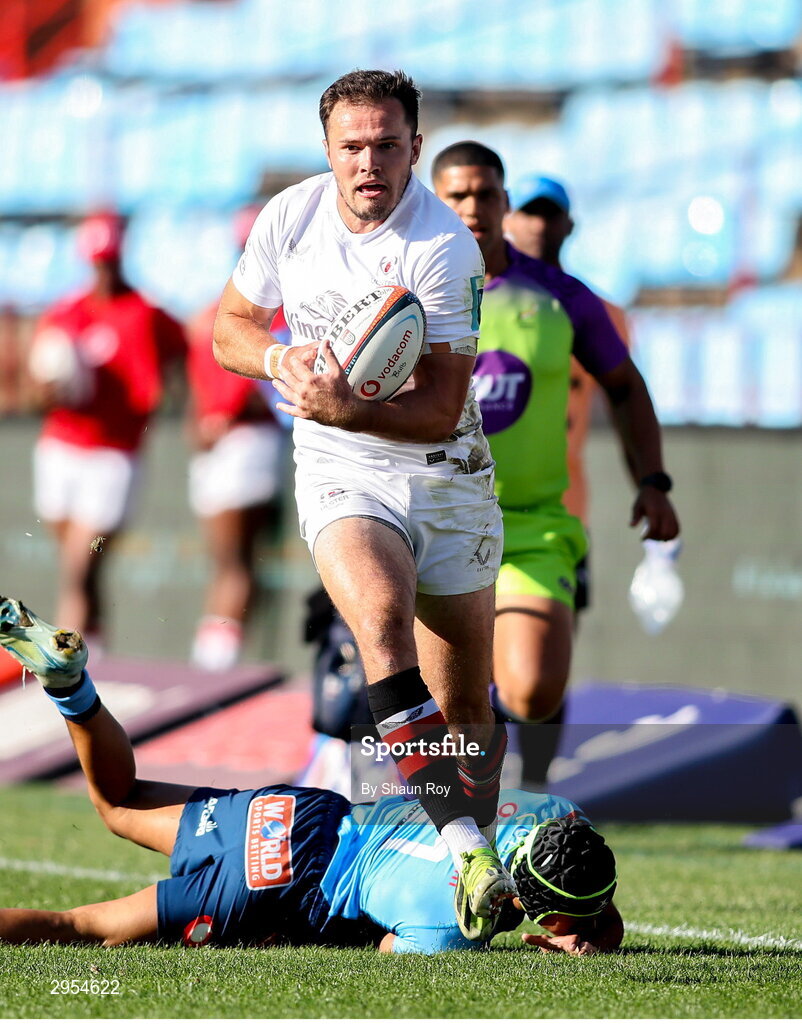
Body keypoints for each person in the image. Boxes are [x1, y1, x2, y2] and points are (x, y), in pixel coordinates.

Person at [212, 69, 512, 939]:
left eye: (387, 145)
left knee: (466, 719)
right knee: (379, 621)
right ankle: (464, 846)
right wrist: (280, 360)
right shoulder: (290, 216)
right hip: (342, 467)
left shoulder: (444, 246)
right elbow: (231, 325)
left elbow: (439, 409)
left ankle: (473, 879)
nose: (369, 163)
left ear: (416, 147)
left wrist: (346, 402)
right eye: (352, 146)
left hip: (447, 475)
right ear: (327, 149)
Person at [0, 596, 623, 956]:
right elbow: (382, 947)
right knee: (79, 928)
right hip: (282, 882)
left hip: (306, 813)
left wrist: (579, 922)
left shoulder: (558, 814)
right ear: (542, 911)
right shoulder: (449, 929)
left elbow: (584, 884)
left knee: (120, 803)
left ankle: (72, 687)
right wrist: (555, 940)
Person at [430, 143, 680, 785]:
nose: (473, 208)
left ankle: (533, 785)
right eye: (457, 196)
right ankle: (455, 815)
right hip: (433, 524)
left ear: (504, 204)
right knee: (440, 704)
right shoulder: (406, 295)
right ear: (435, 202)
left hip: (536, 522)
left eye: (486, 194)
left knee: (535, 689)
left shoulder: (565, 299)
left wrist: (653, 482)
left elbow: (626, 386)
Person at [27, 213, 187, 649]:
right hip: (60, 452)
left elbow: (187, 352)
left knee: (81, 565)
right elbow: (37, 390)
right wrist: (51, 389)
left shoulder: (145, 312)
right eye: (99, 262)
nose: (105, 270)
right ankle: (92, 656)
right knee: (80, 571)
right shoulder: (67, 313)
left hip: (113, 459)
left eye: (111, 260)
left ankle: (63, 669)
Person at [186, 208, 286, 672]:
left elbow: (268, 387)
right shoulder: (219, 310)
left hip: (247, 442)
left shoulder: (284, 312)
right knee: (229, 563)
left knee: (233, 563)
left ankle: (215, 666)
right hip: (221, 445)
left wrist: (222, 416)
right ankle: (220, 657)